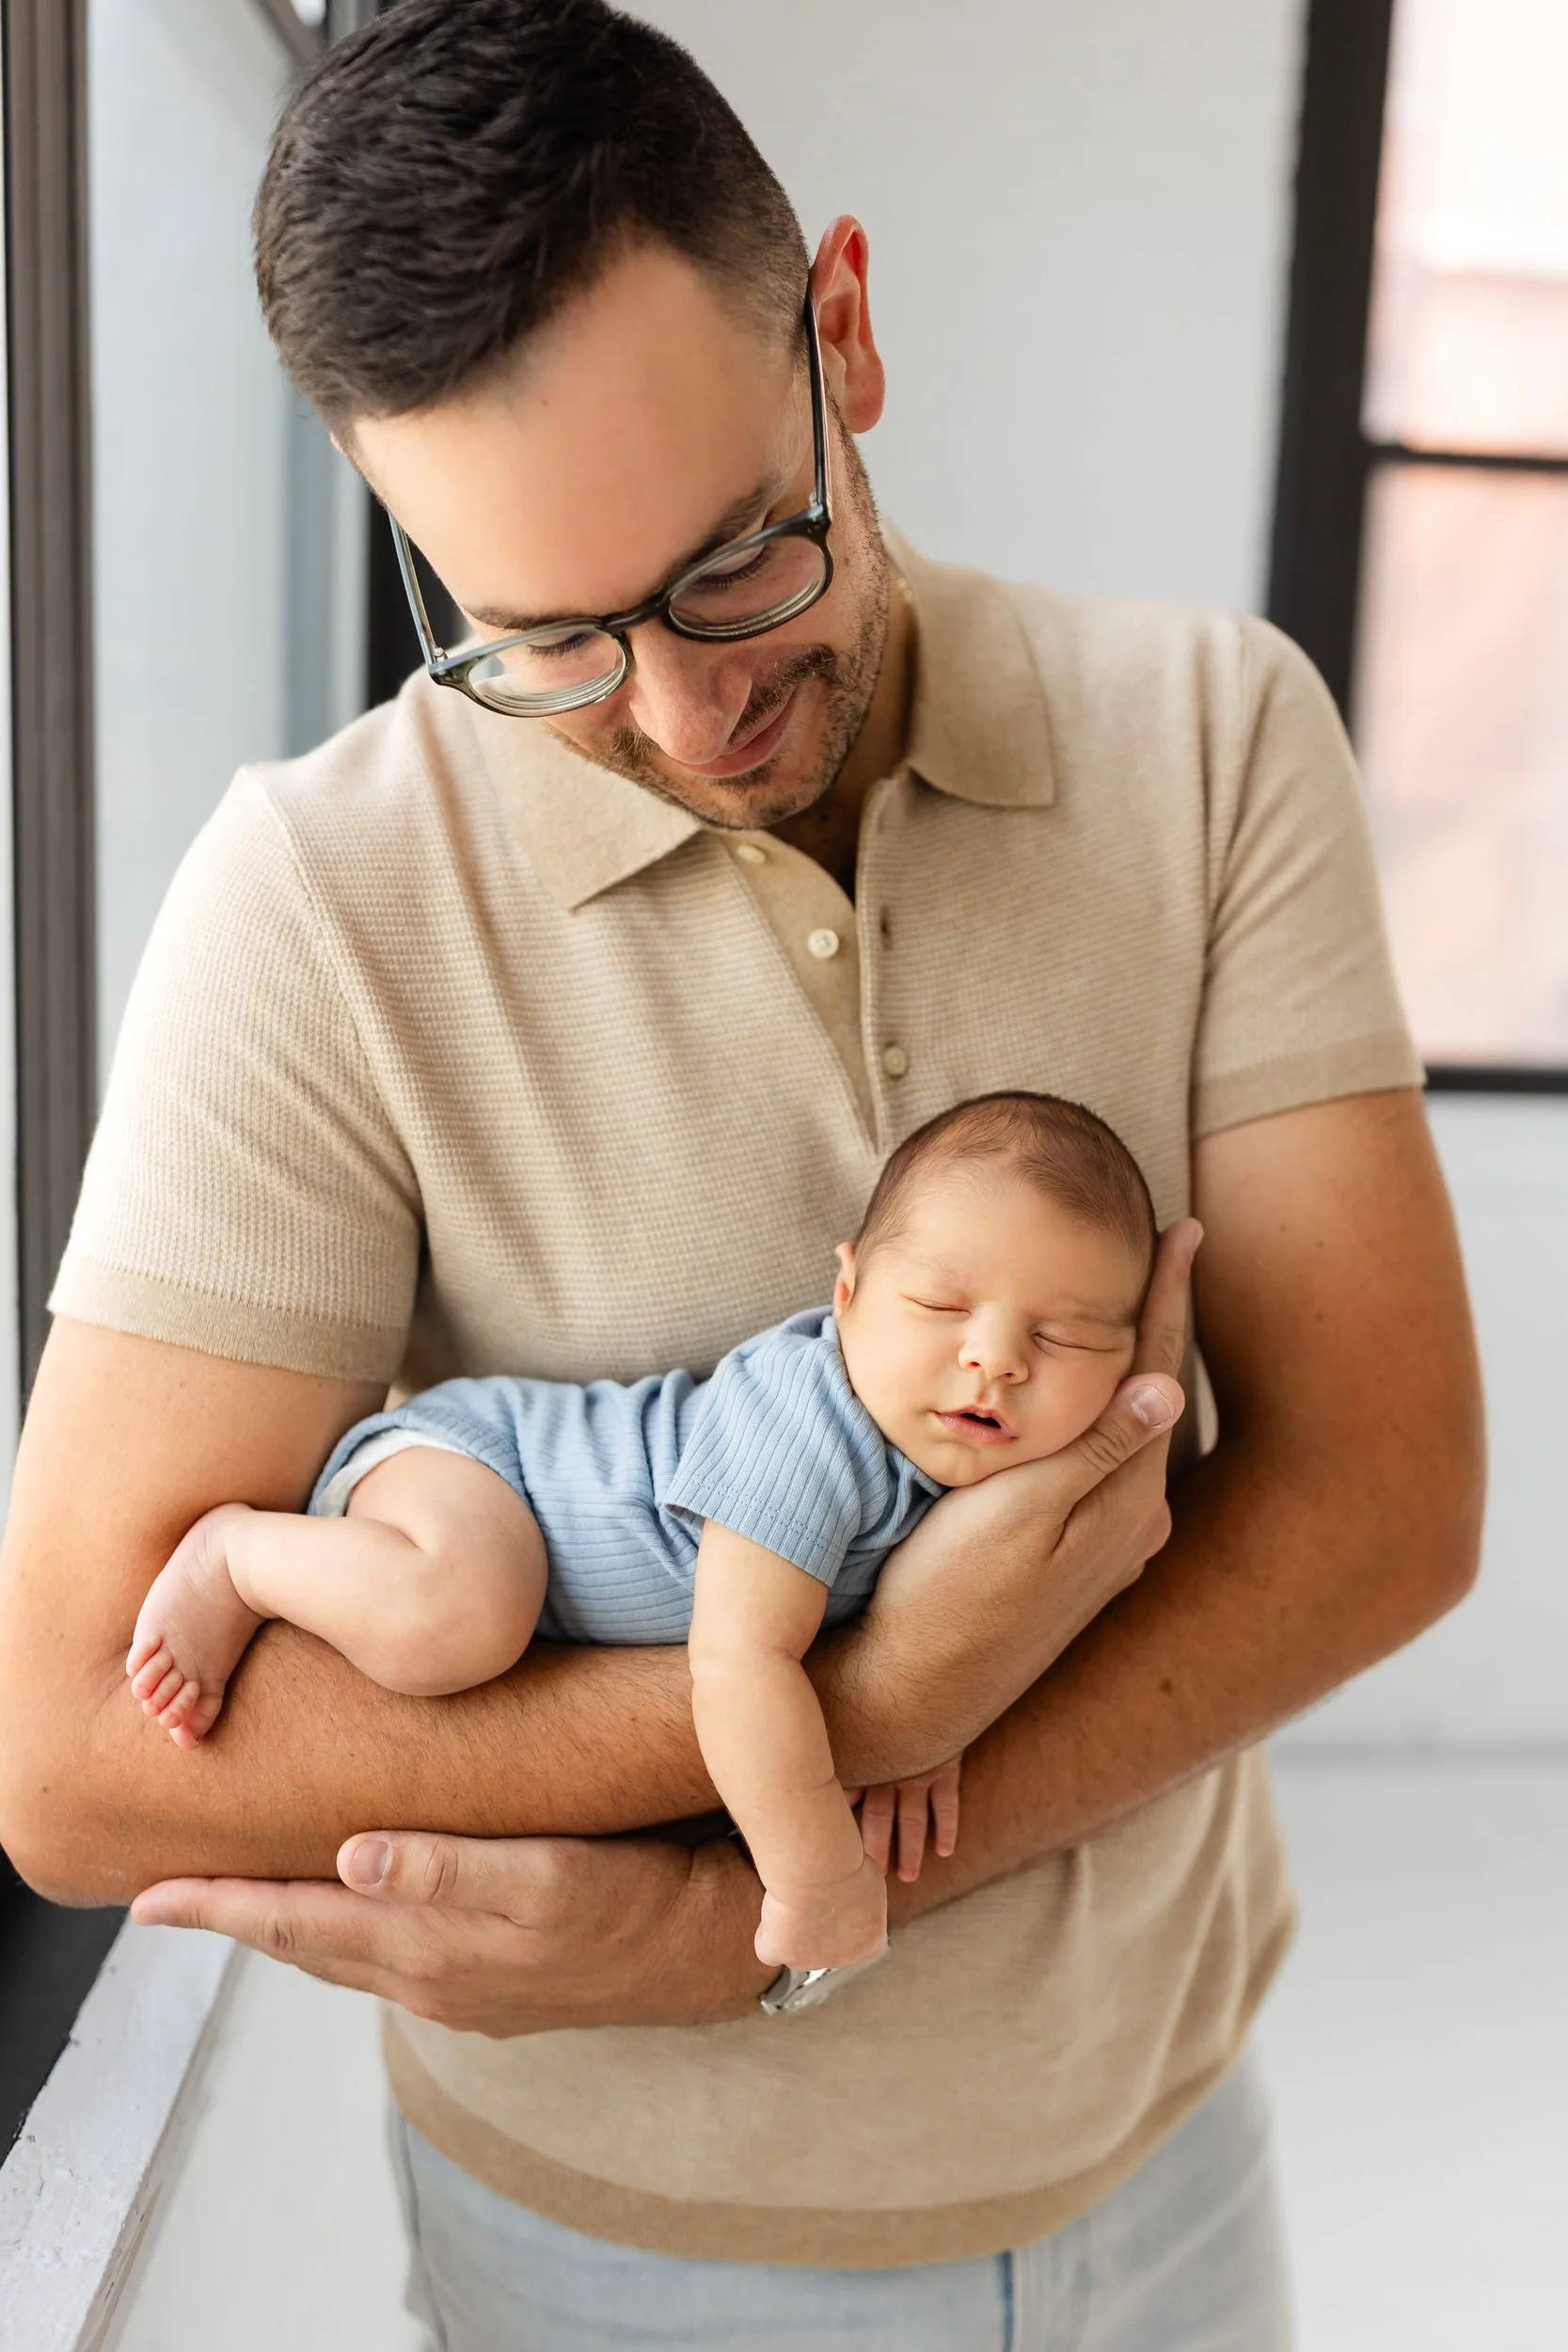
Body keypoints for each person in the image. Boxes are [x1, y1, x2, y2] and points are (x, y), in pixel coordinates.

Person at [0, 2, 1483, 2345]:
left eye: (733, 566)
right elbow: (76, 1769)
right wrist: (843, 1713)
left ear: (849, 334)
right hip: (627, 2255)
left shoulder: (1208, 738)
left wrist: (759, 1896)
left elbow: (1390, 1494)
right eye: (545, 643)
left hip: (1164, 2146)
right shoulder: (310, 906)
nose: (689, 716)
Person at [127, 1090, 1159, 1970]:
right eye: (939, 1303)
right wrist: (814, 1874)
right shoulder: (807, 1422)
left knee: (482, 1616)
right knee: (460, 1620)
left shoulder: (976, 1467)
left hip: (510, 1506)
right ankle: (238, 1554)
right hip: (482, 1468)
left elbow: (945, 1620)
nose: (994, 1358)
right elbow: (740, 1662)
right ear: (844, 1295)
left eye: (1060, 1335)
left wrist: (948, 1719)